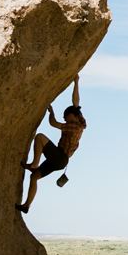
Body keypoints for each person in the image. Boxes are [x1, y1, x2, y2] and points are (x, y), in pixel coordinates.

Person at [18, 77, 86, 214]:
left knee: (40, 138)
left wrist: (51, 113)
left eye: (65, 116)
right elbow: (76, 102)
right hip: (60, 161)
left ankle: (34, 163)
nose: (64, 119)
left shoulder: (72, 126)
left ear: (70, 116)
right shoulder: (81, 122)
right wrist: (76, 83)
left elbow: (53, 123)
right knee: (34, 177)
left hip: (60, 158)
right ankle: (26, 206)